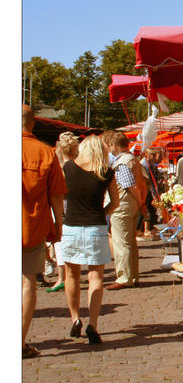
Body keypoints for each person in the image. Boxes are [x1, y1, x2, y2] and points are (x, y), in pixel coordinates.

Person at [61, 134, 120, 345]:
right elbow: (116, 202)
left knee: (72, 275)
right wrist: (102, 213)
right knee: (96, 277)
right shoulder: (106, 172)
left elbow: (59, 195)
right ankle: (92, 324)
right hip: (95, 225)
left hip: (71, 226)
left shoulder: (67, 168)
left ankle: (75, 318)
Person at [22, 105, 67, 358]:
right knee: (28, 282)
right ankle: (19, 342)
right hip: (31, 227)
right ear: (34, 123)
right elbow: (57, 196)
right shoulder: (44, 152)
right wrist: (59, 224)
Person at [107, 132, 146, 290]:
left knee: (121, 243)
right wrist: (141, 202)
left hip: (123, 205)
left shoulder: (122, 163)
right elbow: (142, 183)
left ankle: (124, 277)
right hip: (131, 205)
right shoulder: (132, 159)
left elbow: (131, 186)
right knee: (130, 242)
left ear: (114, 146)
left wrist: (140, 201)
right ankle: (132, 275)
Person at [45, 132, 81, 294]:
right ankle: (71, 275)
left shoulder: (60, 170)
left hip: (62, 207)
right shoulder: (81, 167)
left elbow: (57, 195)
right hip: (77, 208)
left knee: (59, 242)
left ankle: (62, 277)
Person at [139, 147, 161, 239]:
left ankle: (149, 229)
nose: (154, 156)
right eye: (152, 154)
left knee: (151, 209)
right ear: (147, 155)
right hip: (146, 190)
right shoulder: (144, 164)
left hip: (148, 190)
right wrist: (153, 193)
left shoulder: (149, 164)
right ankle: (145, 230)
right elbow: (148, 180)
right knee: (147, 209)